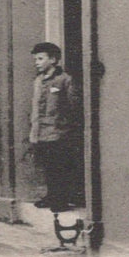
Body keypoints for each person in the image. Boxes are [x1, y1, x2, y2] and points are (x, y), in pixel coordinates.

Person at [26, 42, 84, 211]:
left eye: (40, 58)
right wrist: (34, 132)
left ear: (53, 60)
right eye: (35, 59)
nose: (36, 62)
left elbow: (74, 106)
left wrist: (67, 128)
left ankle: (61, 200)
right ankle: (51, 197)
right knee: (48, 167)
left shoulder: (65, 80)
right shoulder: (38, 81)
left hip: (59, 133)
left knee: (60, 167)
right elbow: (36, 108)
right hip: (41, 132)